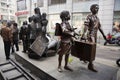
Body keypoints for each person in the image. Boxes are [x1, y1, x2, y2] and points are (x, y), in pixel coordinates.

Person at [81, 4, 107, 72]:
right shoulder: (89, 16)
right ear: (91, 9)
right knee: (92, 50)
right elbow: (86, 25)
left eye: (98, 8)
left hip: (95, 35)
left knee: (90, 49)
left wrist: (104, 35)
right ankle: (90, 65)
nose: (97, 9)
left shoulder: (97, 18)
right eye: (95, 8)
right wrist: (83, 34)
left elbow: (100, 27)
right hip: (90, 35)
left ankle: (84, 58)